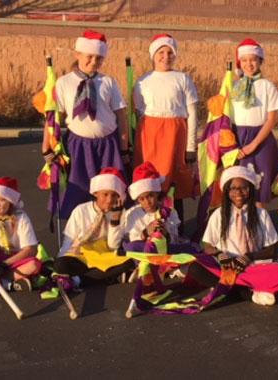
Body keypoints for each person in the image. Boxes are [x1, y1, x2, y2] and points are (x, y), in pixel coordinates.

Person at [43, 30, 129, 220]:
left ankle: (113, 229)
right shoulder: (64, 82)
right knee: (78, 188)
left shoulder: (108, 82)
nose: (94, 62)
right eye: (89, 56)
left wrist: (124, 149)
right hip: (78, 146)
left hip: (108, 145)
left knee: (111, 189)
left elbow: (122, 116)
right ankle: (76, 233)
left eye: (99, 58)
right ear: (78, 54)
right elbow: (53, 118)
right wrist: (47, 147)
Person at [133, 34, 199, 227]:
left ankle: (176, 228)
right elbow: (138, 113)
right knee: (150, 183)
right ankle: (145, 227)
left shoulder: (183, 79)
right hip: (150, 136)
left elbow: (192, 113)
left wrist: (191, 146)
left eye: (170, 52)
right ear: (153, 55)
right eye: (161, 52)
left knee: (173, 184)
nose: (165, 56)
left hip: (175, 135)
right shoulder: (142, 82)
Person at [193, 165, 278, 306]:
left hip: (252, 267)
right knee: (196, 269)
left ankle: (227, 288)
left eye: (244, 188)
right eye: (233, 188)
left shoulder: (261, 214)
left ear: (251, 190)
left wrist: (249, 257)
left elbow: (272, 250)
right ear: (227, 191)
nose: (238, 193)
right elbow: (208, 247)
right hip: (227, 267)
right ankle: (250, 293)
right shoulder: (218, 214)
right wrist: (219, 255)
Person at [54, 168, 134, 287]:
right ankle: (104, 278)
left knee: (129, 261)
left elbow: (113, 246)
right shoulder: (81, 210)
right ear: (96, 193)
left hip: (104, 255)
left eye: (114, 196)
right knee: (61, 265)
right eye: (105, 195)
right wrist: (61, 260)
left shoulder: (121, 213)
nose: (109, 200)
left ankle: (79, 280)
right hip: (81, 255)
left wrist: (114, 222)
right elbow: (68, 240)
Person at [231, 38, 278, 204]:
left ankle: (259, 226)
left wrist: (253, 144)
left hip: (261, 139)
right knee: (239, 188)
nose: (249, 64)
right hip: (238, 139)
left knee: (259, 190)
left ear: (261, 61)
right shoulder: (234, 86)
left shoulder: (268, 86)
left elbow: (272, 119)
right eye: (244, 60)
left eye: (253, 59)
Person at [123, 161, 181, 245]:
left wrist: (166, 234)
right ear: (137, 200)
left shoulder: (170, 211)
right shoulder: (132, 214)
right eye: (142, 199)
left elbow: (176, 240)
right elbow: (133, 242)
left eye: (150, 196)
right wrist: (146, 233)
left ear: (157, 193)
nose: (147, 202)